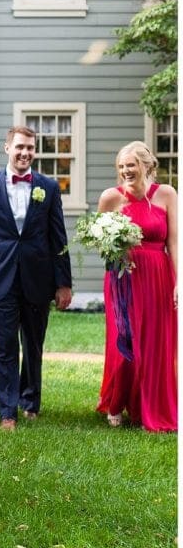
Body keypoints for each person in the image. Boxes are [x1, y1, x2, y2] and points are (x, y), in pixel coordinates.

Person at [0, 125, 73, 430]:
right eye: (20, 147)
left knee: (34, 344)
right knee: (4, 346)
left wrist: (63, 283)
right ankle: (7, 412)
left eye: (30, 148)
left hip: (39, 278)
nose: (25, 153)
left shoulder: (48, 188)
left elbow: (58, 238)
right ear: (7, 149)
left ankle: (30, 401)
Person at [95, 141, 177, 432]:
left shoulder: (167, 195)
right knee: (124, 341)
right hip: (122, 279)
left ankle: (150, 407)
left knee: (156, 344)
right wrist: (116, 245)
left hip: (158, 275)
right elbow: (101, 245)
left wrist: (179, 281)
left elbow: (175, 242)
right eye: (121, 166)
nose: (126, 171)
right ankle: (117, 401)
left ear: (147, 165)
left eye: (131, 164)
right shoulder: (110, 198)